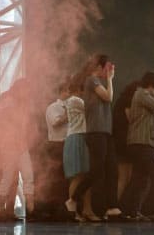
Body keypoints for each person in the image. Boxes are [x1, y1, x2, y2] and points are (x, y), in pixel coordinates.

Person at [74, 54, 119, 221]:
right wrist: (111, 79)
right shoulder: (92, 80)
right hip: (96, 132)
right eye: (107, 67)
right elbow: (108, 97)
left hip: (105, 132)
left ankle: (112, 207)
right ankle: (74, 199)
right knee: (97, 172)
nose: (109, 70)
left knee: (110, 170)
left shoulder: (97, 81)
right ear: (99, 68)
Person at [122, 72, 154, 221]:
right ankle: (153, 210)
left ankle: (130, 211)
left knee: (140, 179)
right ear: (150, 85)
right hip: (141, 143)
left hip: (141, 143)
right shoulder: (141, 94)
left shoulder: (143, 95)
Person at [0, 80, 35, 221]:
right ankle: (0, 209)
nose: (28, 92)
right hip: (9, 145)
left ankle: (30, 205)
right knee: (8, 177)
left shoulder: (23, 104)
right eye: (26, 89)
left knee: (27, 174)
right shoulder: (8, 101)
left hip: (21, 145)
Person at [39, 82, 70, 219]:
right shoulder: (54, 107)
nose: (70, 95)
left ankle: (63, 209)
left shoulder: (68, 106)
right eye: (69, 91)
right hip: (56, 145)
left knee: (65, 178)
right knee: (57, 179)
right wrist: (70, 115)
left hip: (67, 144)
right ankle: (55, 210)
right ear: (62, 92)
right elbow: (55, 123)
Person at [62, 78, 90, 222]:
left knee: (82, 176)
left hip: (78, 137)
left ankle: (82, 211)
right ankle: (74, 212)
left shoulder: (71, 101)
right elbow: (91, 108)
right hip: (76, 137)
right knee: (77, 176)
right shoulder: (75, 100)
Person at [112, 81, 140, 211]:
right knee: (125, 177)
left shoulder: (120, 101)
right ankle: (118, 206)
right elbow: (132, 120)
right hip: (126, 142)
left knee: (123, 177)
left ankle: (119, 206)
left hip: (119, 142)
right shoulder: (128, 101)